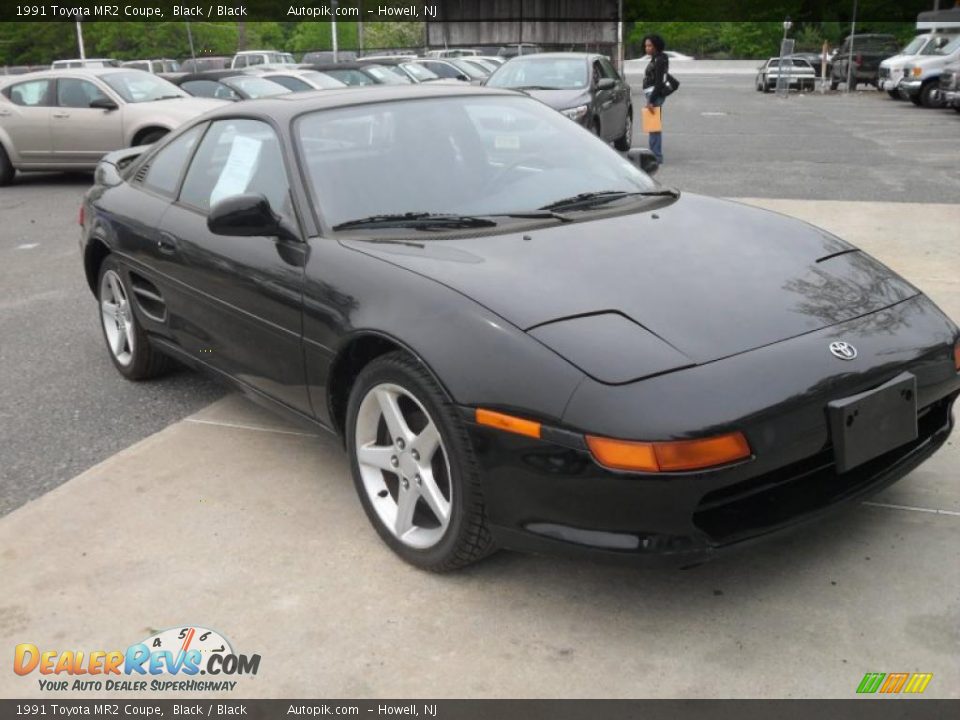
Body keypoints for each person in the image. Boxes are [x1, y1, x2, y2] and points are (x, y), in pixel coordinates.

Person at [641, 34, 669, 164]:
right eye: (646, 45)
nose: (647, 48)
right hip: (652, 94)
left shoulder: (659, 60)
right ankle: (655, 154)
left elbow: (658, 83)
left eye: (650, 45)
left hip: (654, 95)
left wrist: (651, 101)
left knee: (653, 127)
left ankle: (656, 156)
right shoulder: (658, 58)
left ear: (656, 46)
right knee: (653, 126)